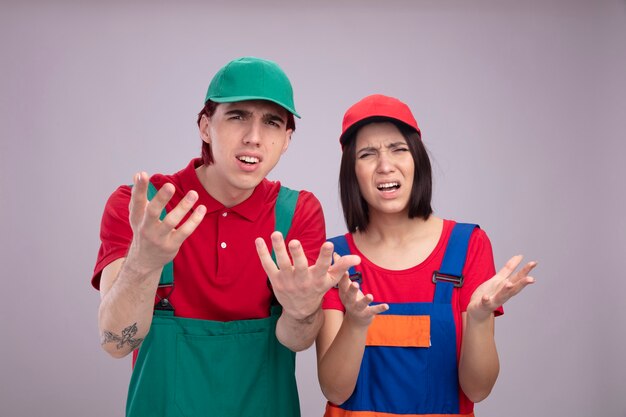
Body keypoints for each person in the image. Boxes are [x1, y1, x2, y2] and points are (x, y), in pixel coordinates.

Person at [93, 56, 358, 417]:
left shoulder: (298, 213)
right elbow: (116, 344)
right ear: (205, 126)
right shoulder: (142, 208)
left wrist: (301, 311)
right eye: (237, 117)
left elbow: (297, 340)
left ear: (287, 140)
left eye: (272, 123)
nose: (254, 137)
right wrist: (143, 264)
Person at [316, 94, 537, 417]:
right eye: (367, 154)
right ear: (352, 172)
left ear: (417, 159)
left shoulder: (467, 246)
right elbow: (335, 390)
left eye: (398, 149)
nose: (385, 165)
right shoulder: (335, 258)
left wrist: (477, 320)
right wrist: (356, 323)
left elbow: (477, 390)